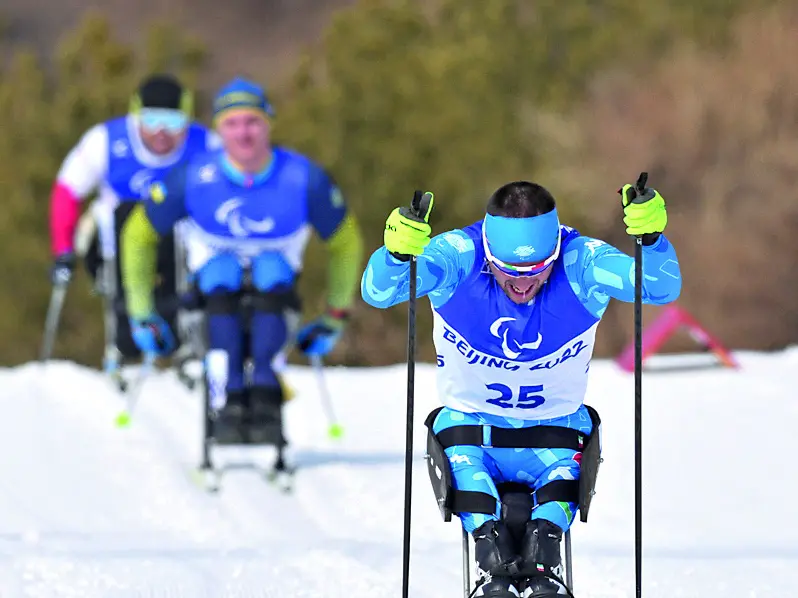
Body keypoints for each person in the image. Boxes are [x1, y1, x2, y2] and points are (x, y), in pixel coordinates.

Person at [361, 181, 681, 597]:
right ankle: (488, 555)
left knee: (543, 540)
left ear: (556, 250)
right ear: (488, 250)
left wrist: (651, 240)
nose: (523, 283)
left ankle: (545, 552)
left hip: (556, 436)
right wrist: (396, 255)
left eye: (538, 268)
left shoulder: (581, 261)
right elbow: (379, 292)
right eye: (508, 269)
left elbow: (659, 287)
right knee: (489, 538)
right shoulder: (459, 255)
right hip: (472, 434)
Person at [119, 77, 363, 447]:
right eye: (232, 124)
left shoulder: (303, 178)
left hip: (276, 291)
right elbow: (139, 235)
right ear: (219, 129)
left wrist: (336, 313)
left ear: (268, 124)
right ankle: (229, 392)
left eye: (252, 122)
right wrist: (141, 311)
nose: (243, 133)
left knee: (270, 270)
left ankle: (265, 387)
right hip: (212, 294)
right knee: (222, 272)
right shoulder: (194, 177)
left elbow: (345, 241)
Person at [48, 73, 219, 371]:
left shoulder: (207, 145)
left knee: (177, 220)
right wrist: (63, 249)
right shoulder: (105, 141)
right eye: (151, 120)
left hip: (179, 244)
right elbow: (67, 192)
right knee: (125, 215)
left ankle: (185, 341)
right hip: (114, 242)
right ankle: (124, 341)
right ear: (136, 116)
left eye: (173, 122)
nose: (161, 132)